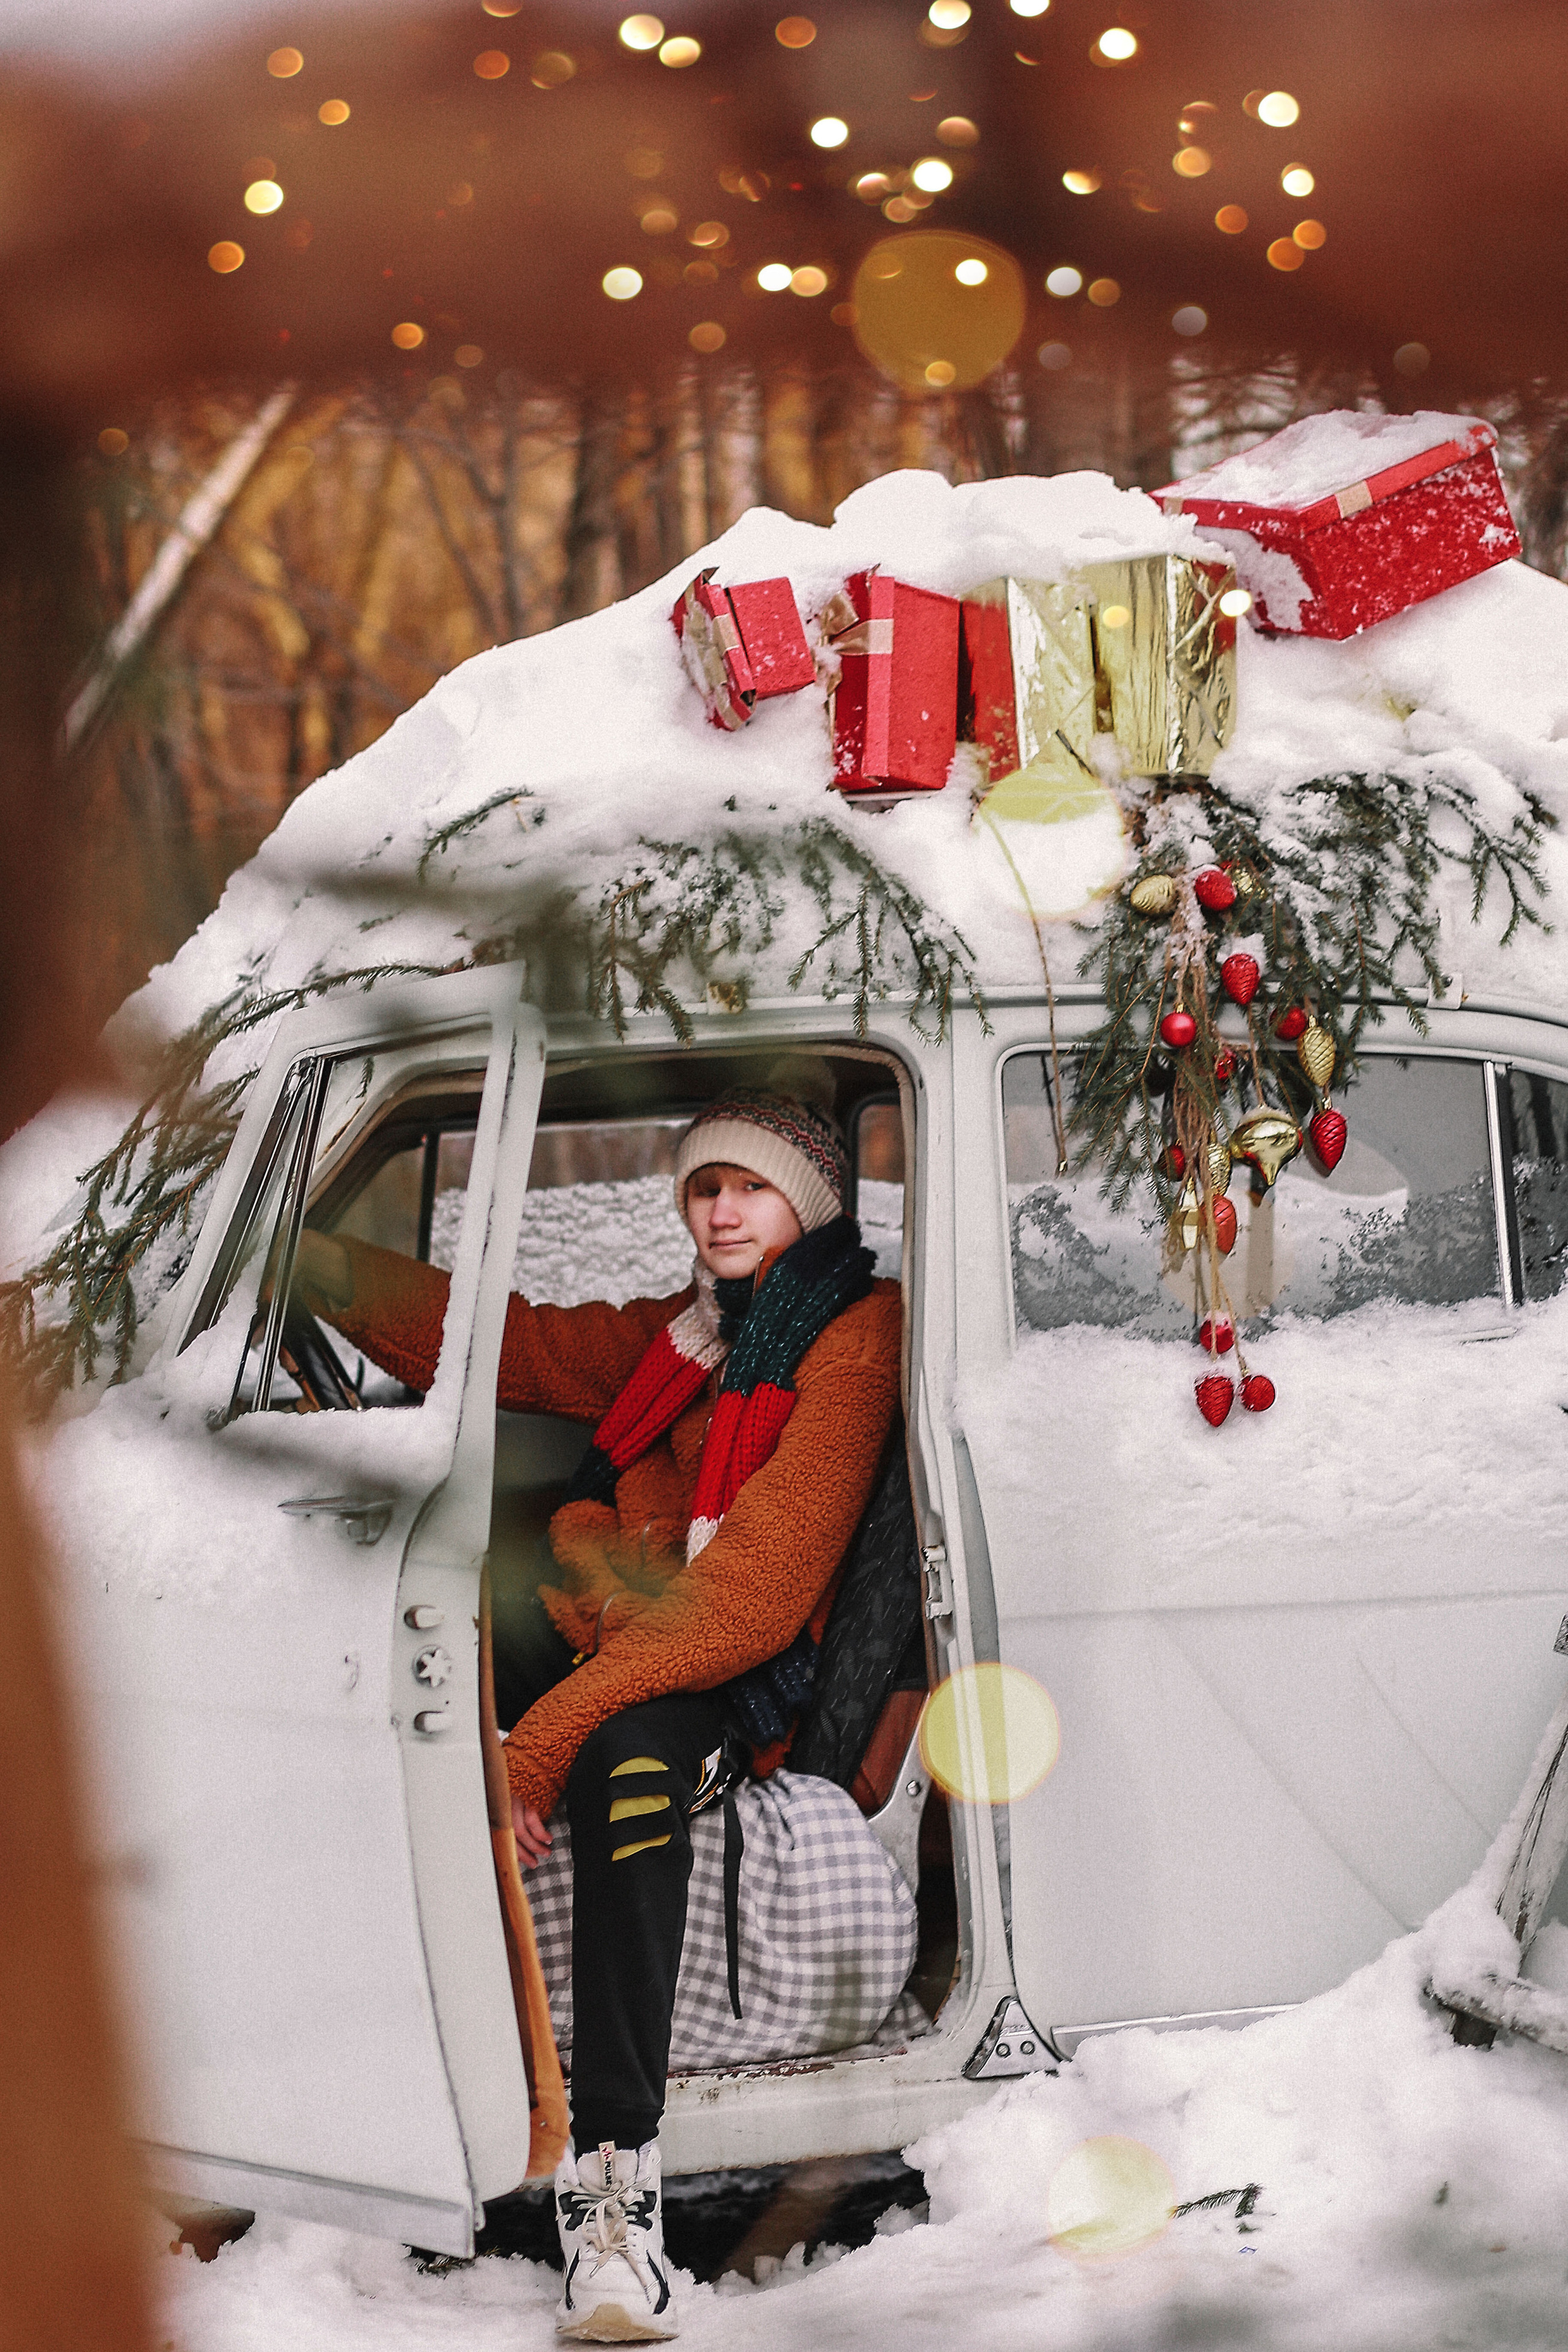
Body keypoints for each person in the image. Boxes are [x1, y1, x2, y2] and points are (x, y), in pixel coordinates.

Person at [296, 1072, 902, 2342]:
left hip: (737, 1669)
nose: (722, 1211)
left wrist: (544, 1742)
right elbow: (505, 1343)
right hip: (630, 1625)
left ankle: (616, 2194)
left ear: (806, 1200)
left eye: (749, 1188)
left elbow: (751, 1592)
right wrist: (302, 1262)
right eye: (704, 1186)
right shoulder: (689, 1331)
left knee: (622, 1765)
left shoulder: (852, 1334)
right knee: (425, 1611)